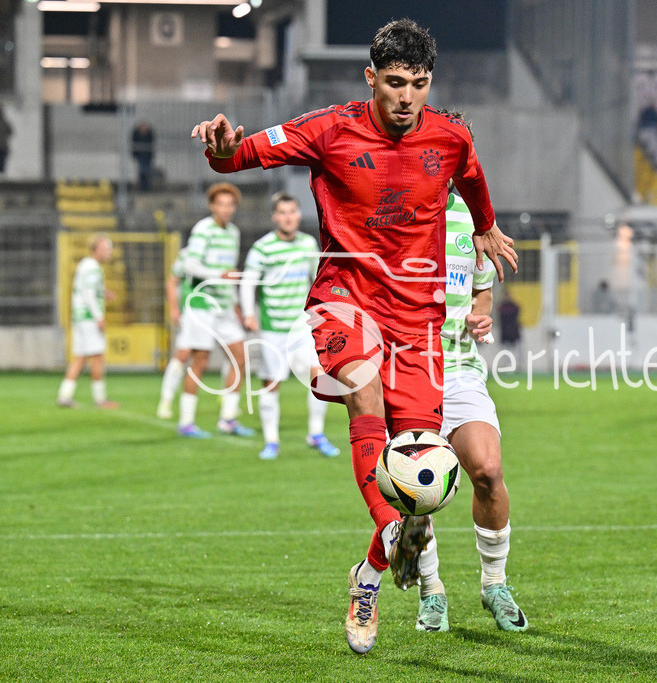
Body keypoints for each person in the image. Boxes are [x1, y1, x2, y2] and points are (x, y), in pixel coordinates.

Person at [191, 18, 517, 655]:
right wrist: (222, 148)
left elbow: (473, 177)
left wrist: (484, 226)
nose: (406, 97)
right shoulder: (329, 129)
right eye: (395, 82)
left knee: (419, 470)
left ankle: (369, 573)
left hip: (419, 319)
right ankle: (394, 537)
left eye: (419, 84)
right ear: (371, 77)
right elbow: (245, 154)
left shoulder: (448, 137)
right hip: (344, 300)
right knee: (364, 399)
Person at [412, 178, 528, 634]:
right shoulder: (397, 212)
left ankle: (495, 584)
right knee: (416, 491)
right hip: (408, 366)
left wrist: (479, 315)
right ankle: (431, 591)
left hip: (459, 367)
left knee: (488, 470)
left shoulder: (475, 222)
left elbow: (481, 292)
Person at [239, 192, 341, 461]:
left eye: (292, 212)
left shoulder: (308, 244)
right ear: (275, 217)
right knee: (271, 383)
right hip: (273, 328)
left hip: (302, 327)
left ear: (298, 214)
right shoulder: (263, 247)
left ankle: (316, 434)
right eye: (282, 213)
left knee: (320, 377)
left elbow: (319, 279)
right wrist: (249, 313)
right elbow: (249, 282)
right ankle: (271, 440)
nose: (288, 217)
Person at [175, 183, 255, 439]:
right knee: (199, 361)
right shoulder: (203, 229)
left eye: (231, 204)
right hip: (203, 306)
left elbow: (230, 271)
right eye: (221, 204)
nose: (226, 209)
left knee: (240, 359)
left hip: (224, 307)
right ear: (212, 206)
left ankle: (228, 420)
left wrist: (237, 304)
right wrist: (218, 275)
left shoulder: (233, 232)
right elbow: (190, 264)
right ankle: (186, 422)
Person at [57, 235, 119, 410]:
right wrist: (99, 317)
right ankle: (100, 399)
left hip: (79, 317)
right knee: (98, 356)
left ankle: (64, 395)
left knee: (80, 357)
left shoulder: (85, 265)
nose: (109, 252)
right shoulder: (93, 267)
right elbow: (89, 295)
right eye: (106, 248)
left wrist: (104, 292)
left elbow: (85, 289)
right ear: (96, 249)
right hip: (88, 318)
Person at [156, 244, 197, 420]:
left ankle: (228, 408)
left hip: (218, 312)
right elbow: (172, 281)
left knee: (236, 353)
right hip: (193, 311)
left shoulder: (227, 245)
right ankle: (166, 400)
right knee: (184, 353)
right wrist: (174, 308)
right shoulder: (188, 253)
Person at [131, 121, 156, 192]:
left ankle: (146, 187)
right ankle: (143, 187)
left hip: (147, 156)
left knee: (146, 171)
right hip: (141, 155)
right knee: (142, 171)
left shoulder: (149, 134)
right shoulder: (137, 134)